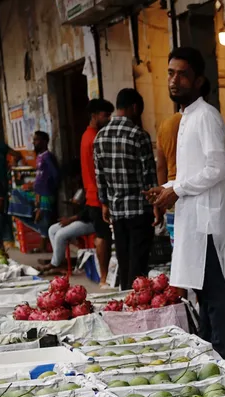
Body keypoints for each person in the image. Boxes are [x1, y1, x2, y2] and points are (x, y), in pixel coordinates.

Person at [147, 47, 225, 359]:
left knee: (212, 290)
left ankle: (221, 353)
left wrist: (177, 189)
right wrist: (165, 188)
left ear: (198, 81)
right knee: (200, 288)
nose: (174, 80)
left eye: (182, 74)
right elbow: (192, 171)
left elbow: (217, 169)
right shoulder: (185, 119)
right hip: (191, 216)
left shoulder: (207, 117)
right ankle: (208, 348)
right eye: (170, 73)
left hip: (206, 219)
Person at [95, 88, 157, 291]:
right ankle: (136, 306)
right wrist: (157, 206)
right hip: (139, 210)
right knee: (138, 266)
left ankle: (126, 302)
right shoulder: (139, 135)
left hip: (117, 211)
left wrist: (104, 203)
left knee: (124, 261)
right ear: (135, 107)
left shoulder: (100, 137)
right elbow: (149, 177)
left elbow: (100, 176)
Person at [77, 98, 114, 278]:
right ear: (94, 116)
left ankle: (104, 276)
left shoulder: (87, 136)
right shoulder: (94, 138)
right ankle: (104, 277)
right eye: (105, 115)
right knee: (103, 236)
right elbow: (100, 172)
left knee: (103, 235)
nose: (108, 118)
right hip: (97, 196)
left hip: (92, 194)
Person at [31, 131, 60, 237]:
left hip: (47, 192)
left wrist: (50, 188)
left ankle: (44, 244)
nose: (34, 142)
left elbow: (55, 174)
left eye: (36, 140)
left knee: (45, 217)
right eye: (34, 140)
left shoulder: (48, 156)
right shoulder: (39, 156)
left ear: (44, 142)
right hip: (39, 192)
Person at [156, 111, 181, 184]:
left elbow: (161, 167)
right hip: (195, 185)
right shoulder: (201, 120)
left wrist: (162, 189)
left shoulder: (166, 124)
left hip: (172, 183)